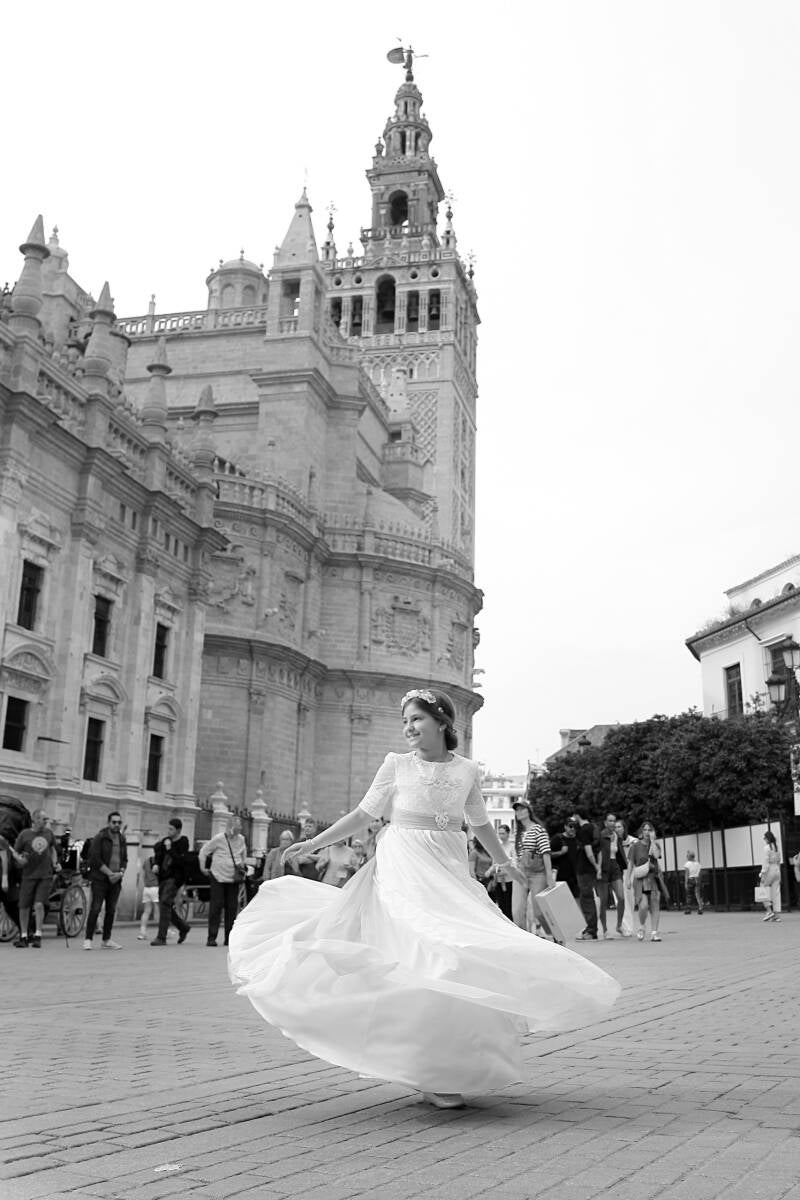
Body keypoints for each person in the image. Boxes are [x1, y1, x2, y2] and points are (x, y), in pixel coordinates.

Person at [228, 687, 619, 1110]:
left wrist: (505, 863)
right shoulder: (396, 765)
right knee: (423, 951)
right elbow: (363, 815)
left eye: (416, 719)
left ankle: (447, 1065)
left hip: (448, 868)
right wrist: (315, 843)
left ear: (442, 722)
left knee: (459, 954)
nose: (409, 728)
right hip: (404, 866)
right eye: (405, 721)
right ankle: (427, 1068)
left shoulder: (467, 770)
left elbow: (480, 823)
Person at [198, 816, 248, 947]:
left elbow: (243, 854)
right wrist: (202, 867)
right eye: (238, 826)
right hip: (218, 876)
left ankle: (229, 938)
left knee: (232, 908)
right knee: (216, 906)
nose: (240, 828)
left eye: (240, 827)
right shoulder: (219, 839)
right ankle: (211, 937)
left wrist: (242, 865)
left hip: (233, 878)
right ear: (231, 827)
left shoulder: (241, 839)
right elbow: (204, 851)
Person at [13, 810, 59, 948]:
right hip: (28, 875)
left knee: (39, 904)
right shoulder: (24, 834)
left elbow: (52, 850)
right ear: (36, 819)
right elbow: (16, 852)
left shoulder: (49, 833)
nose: (46, 822)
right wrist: (19, 860)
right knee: (24, 906)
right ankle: (24, 936)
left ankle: (38, 935)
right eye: (44, 819)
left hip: (45, 875)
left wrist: (55, 862)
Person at [83, 812, 128, 950]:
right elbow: (95, 858)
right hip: (100, 879)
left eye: (119, 822)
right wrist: (109, 873)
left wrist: (120, 873)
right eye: (114, 822)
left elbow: (124, 859)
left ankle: (106, 939)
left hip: (116, 880)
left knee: (111, 910)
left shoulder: (121, 838)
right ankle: (88, 939)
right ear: (108, 823)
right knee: (96, 908)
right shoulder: (100, 837)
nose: (117, 825)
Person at [510, 800, 554, 932]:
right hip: (521, 872)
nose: (519, 812)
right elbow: (518, 854)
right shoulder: (518, 832)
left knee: (539, 911)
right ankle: (523, 938)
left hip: (538, 874)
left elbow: (546, 853)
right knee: (517, 911)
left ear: (529, 811)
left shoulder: (538, 830)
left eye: (522, 809)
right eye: (517, 810)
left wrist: (549, 876)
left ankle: (553, 934)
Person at [150, 818, 191, 946]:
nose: (169, 831)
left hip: (175, 877)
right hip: (163, 877)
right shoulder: (165, 841)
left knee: (165, 902)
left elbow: (180, 860)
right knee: (165, 905)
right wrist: (156, 864)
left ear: (178, 830)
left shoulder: (183, 842)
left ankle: (161, 937)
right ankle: (183, 927)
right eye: (168, 828)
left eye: (171, 829)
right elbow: (159, 856)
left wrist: (170, 849)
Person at [626, 820, 662, 942]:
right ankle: (642, 925)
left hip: (653, 878)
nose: (647, 832)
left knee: (655, 905)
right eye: (645, 830)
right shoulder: (635, 846)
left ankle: (654, 933)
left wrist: (653, 841)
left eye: (649, 830)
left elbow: (656, 856)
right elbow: (630, 864)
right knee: (643, 906)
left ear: (653, 832)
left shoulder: (655, 845)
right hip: (640, 879)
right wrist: (628, 880)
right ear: (641, 832)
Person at [597, 812, 629, 939]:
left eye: (614, 821)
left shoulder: (617, 835)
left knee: (621, 897)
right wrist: (597, 868)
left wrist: (625, 865)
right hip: (603, 867)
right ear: (605, 823)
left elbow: (621, 851)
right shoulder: (601, 835)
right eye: (610, 821)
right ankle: (605, 930)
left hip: (615, 866)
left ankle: (619, 926)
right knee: (603, 901)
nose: (612, 823)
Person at [572, 810, 600, 941]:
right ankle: (590, 928)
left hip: (584, 869)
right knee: (587, 898)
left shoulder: (584, 830)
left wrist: (595, 865)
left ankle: (591, 930)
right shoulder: (593, 827)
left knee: (586, 899)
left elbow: (588, 851)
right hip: (589, 870)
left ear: (578, 815)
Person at [485, 823, 514, 918]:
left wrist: (506, 871)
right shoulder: (498, 847)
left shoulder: (512, 847)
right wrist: (490, 871)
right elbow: (494, 863)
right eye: (499, 833)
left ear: (508, 834)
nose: (501, 836)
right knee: (501, 905)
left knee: (509, 905)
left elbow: (514, 863)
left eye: (503, 833)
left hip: (509, 880)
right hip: (498, 880)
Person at [615, 819, 636, 935]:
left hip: (630, 872)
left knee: (630, 899)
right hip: (617, 873)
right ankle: (626, 927)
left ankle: (626, 926)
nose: (617, 829)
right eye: (616, 827)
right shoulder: (613, 841)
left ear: (624, 828)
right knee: (621, 899)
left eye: (619, 827)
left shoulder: (633, 841)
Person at [759, 831, 782, 923]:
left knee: (762, 888)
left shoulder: (766, 848)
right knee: (776, 893)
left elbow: (765, 862)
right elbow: (779, 860)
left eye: (765, 838)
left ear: (768, 839)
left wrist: (763, 874)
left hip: (770, 870)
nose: (764, 839)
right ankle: (777, 915)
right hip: (777, 870)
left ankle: (769, 911)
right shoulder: (777, 847)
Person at [138, 851, 160, 939]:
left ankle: (142, 932)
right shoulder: (160, 861)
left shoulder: (147, 860)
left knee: (146, 911)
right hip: (156, 887)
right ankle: (164, 930)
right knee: (159, 910)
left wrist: (145, 883)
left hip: (147, 888)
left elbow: (143, 874)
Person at [683, 850, 704, 915]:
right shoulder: (698, 864)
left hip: (690, 880)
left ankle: (688, 909)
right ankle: (700, 909)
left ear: (689, 857)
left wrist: (685, 883)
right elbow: (700, 873)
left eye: (687, 856)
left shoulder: (687, 864)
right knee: (698, 895)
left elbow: (686, 874)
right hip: (697, 879)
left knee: (689, 895)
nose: (686, 857)